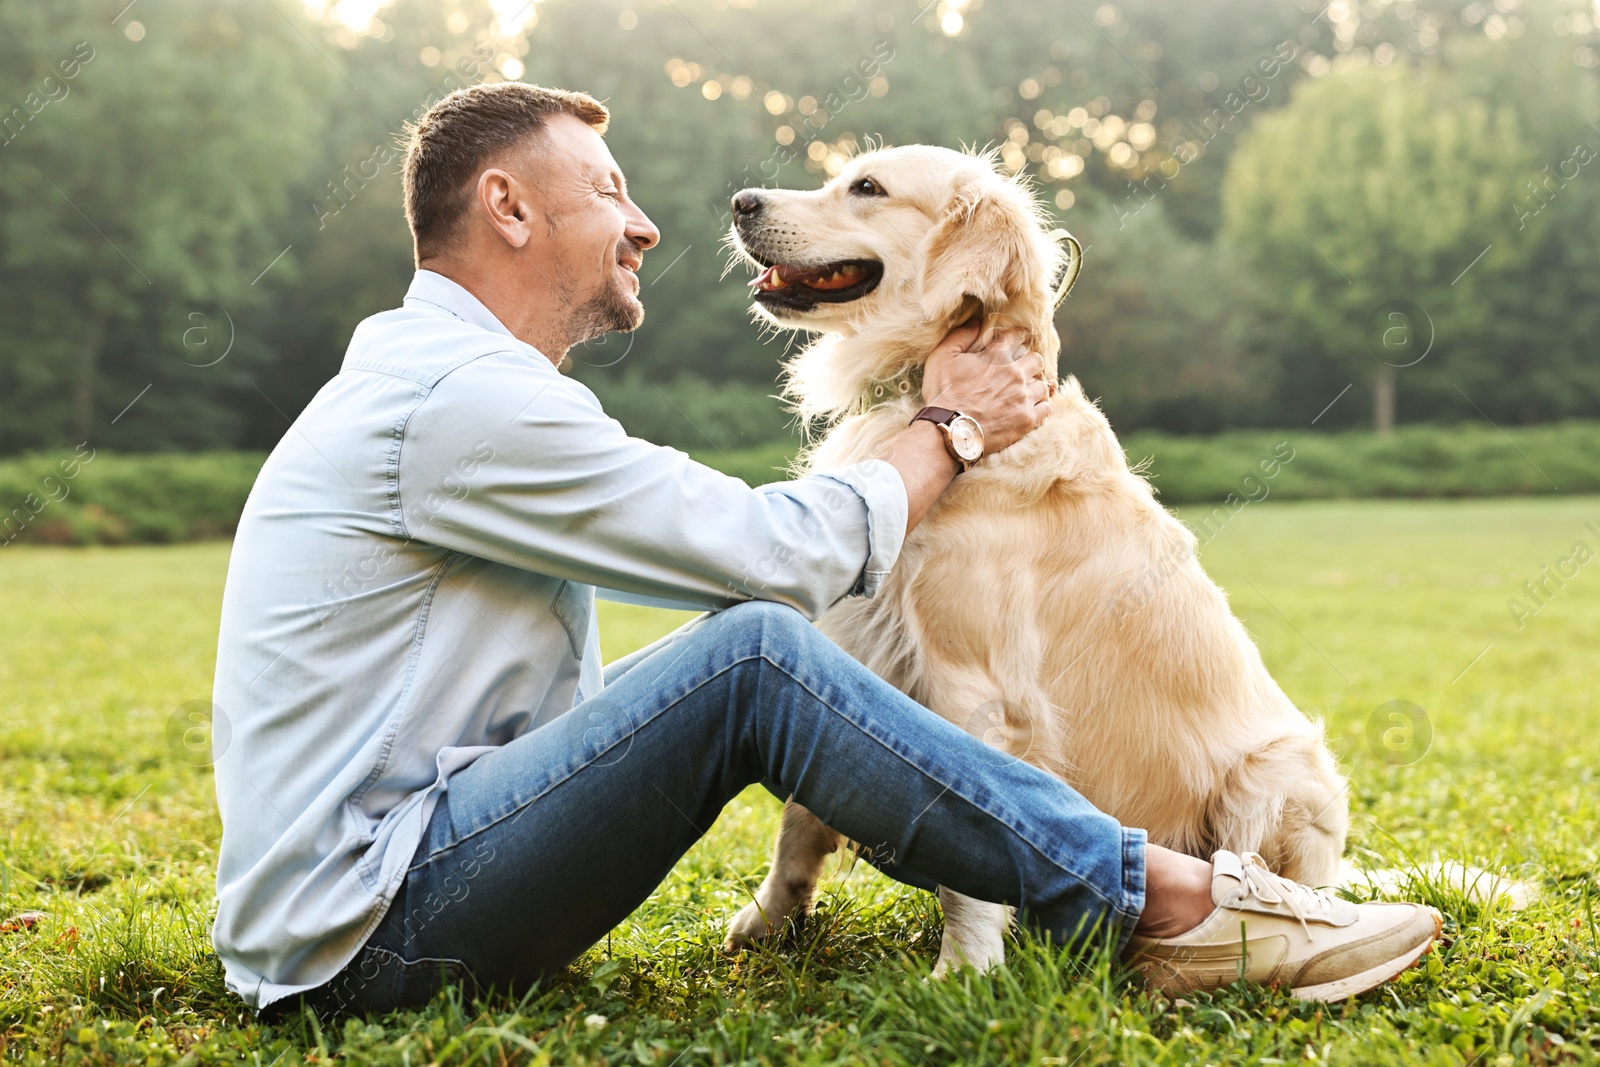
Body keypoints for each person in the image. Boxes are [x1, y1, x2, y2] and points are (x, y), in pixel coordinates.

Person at [211, 82, 1439, 1016]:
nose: (645, 226)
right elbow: (764, 555)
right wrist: (949, 428)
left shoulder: (446, 381)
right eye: (609, 192)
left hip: (371, 891)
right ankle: (1171, 902)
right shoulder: (459, 402)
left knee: (754, 645)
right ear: (508, 206)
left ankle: (1142, 890)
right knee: (755, 643)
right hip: (372, 930)